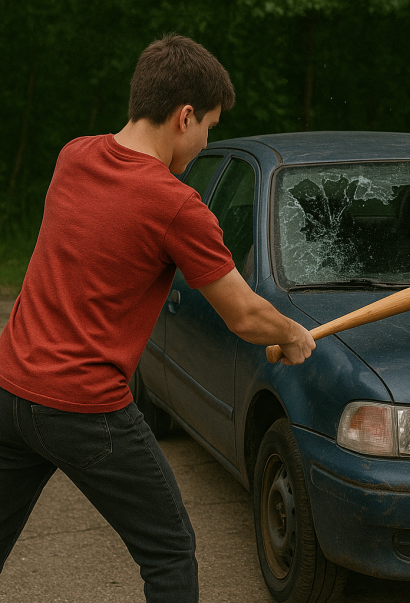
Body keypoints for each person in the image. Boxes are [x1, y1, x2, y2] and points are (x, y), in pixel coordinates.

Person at [0, 34, 314, 602]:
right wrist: (292, 334)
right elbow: (244, 315)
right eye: (208, 126)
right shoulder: (174, 204)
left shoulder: (74, 155)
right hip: (83, 406)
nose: (205, 140)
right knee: (170, 551)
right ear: (184, 115)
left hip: (11, 390)